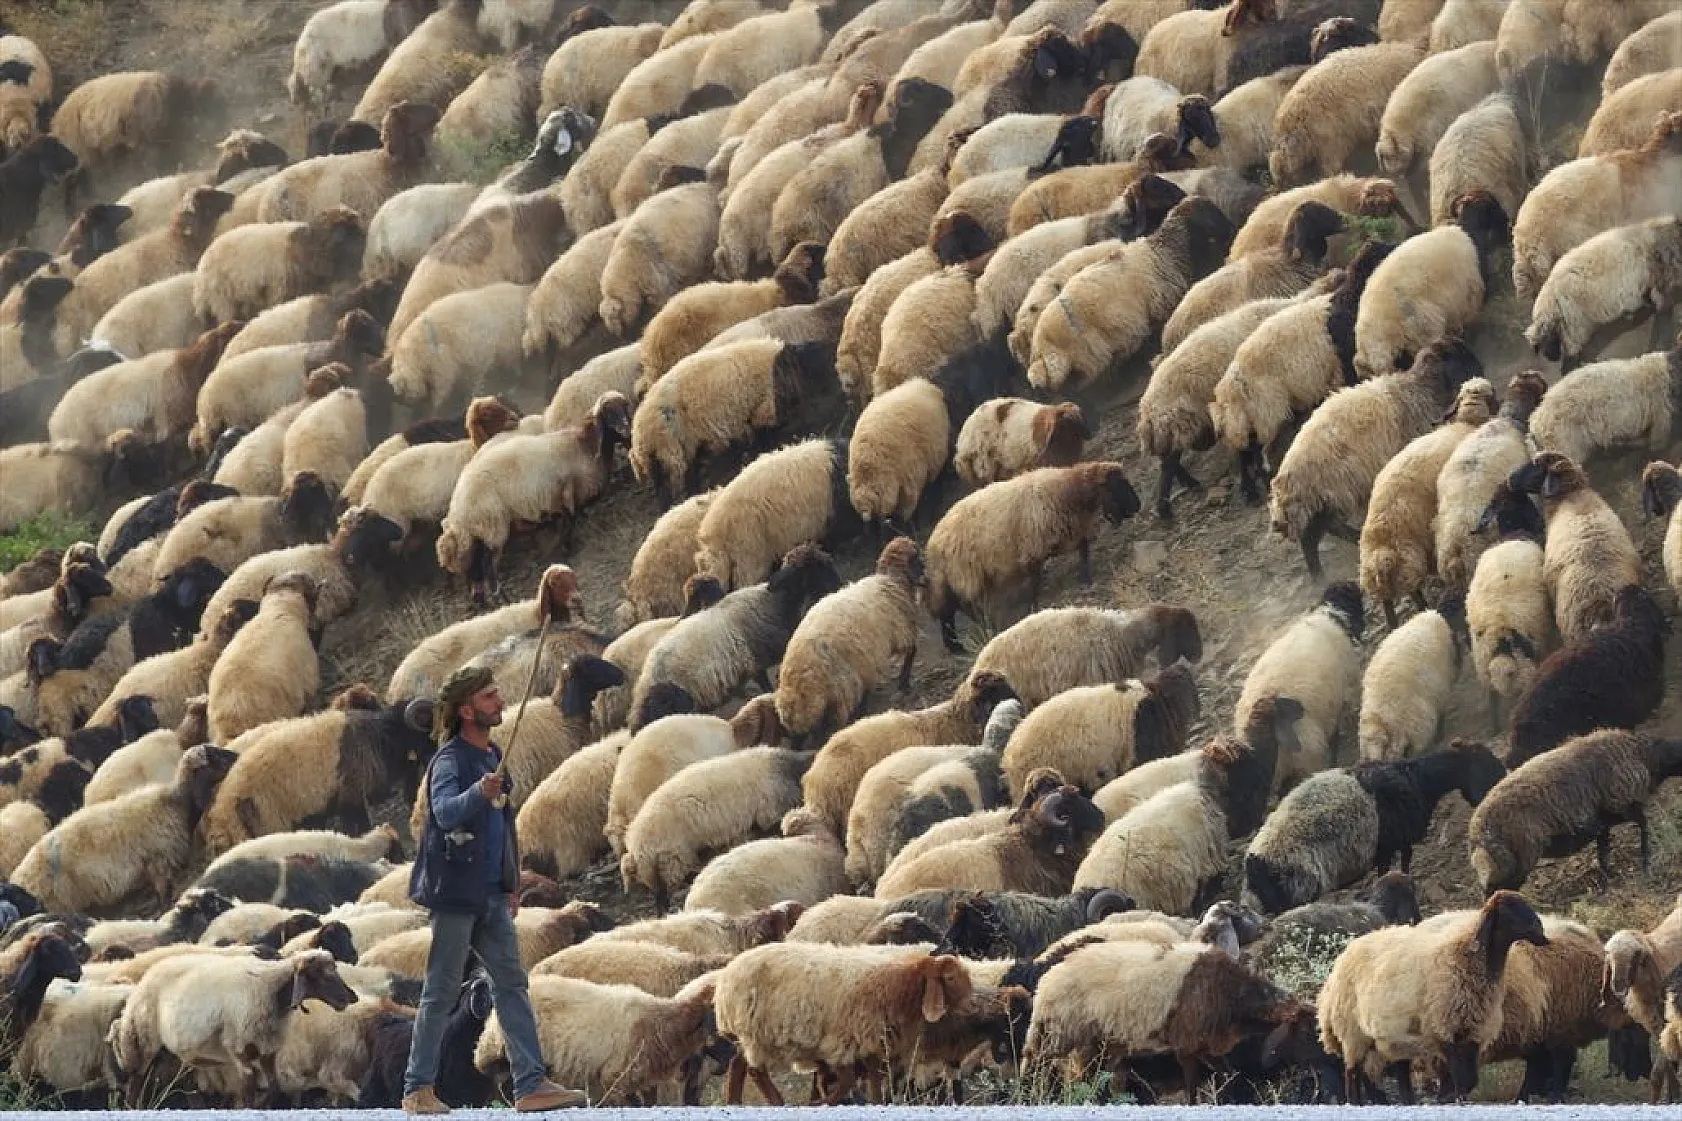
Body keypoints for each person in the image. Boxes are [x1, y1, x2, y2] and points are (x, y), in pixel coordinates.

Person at [402, 664, 586, 1115]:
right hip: (455, 897)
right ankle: (417, 1089)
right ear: (466, 710)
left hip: (489, 895)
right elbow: (444, 813)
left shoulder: (491, 755)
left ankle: (530, 1084)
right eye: (488, 697)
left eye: (497, 695)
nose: (500, 702)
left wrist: (511, 885)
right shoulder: (450, 760)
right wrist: (479, 794)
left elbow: (502, 826)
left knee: (512, 985)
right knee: (441, 991)